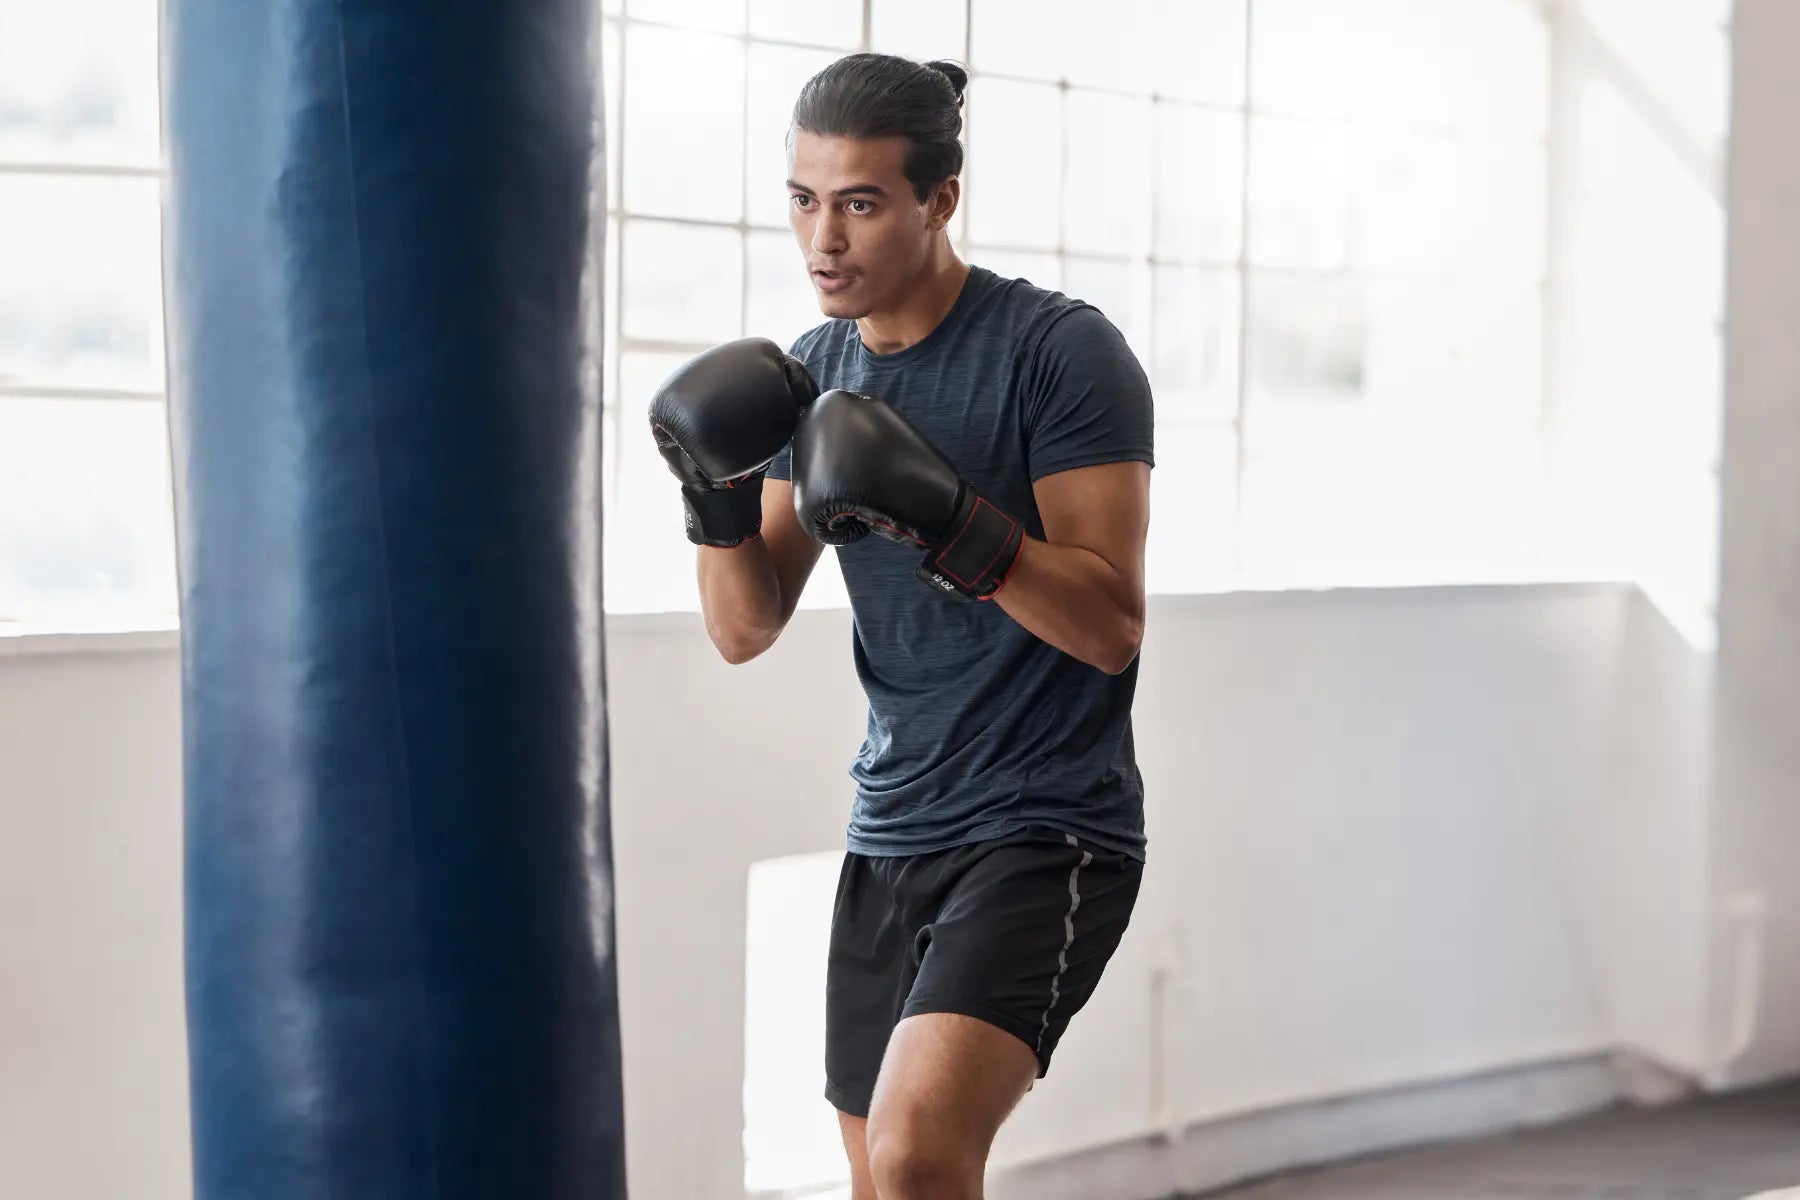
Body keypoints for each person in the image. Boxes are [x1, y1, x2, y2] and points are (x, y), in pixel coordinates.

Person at [648, 52, 1154, 1200]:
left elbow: (1110, 623)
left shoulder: (1059, 353)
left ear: (940, 200)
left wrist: (948, 518)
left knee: (919, 1151)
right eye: (804, 199)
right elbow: (745, 626)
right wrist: (710, 496)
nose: (825, 238)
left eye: (862, 203)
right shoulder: (811, 375)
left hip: (1046, 822)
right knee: (882, 1180)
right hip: (892, 826)